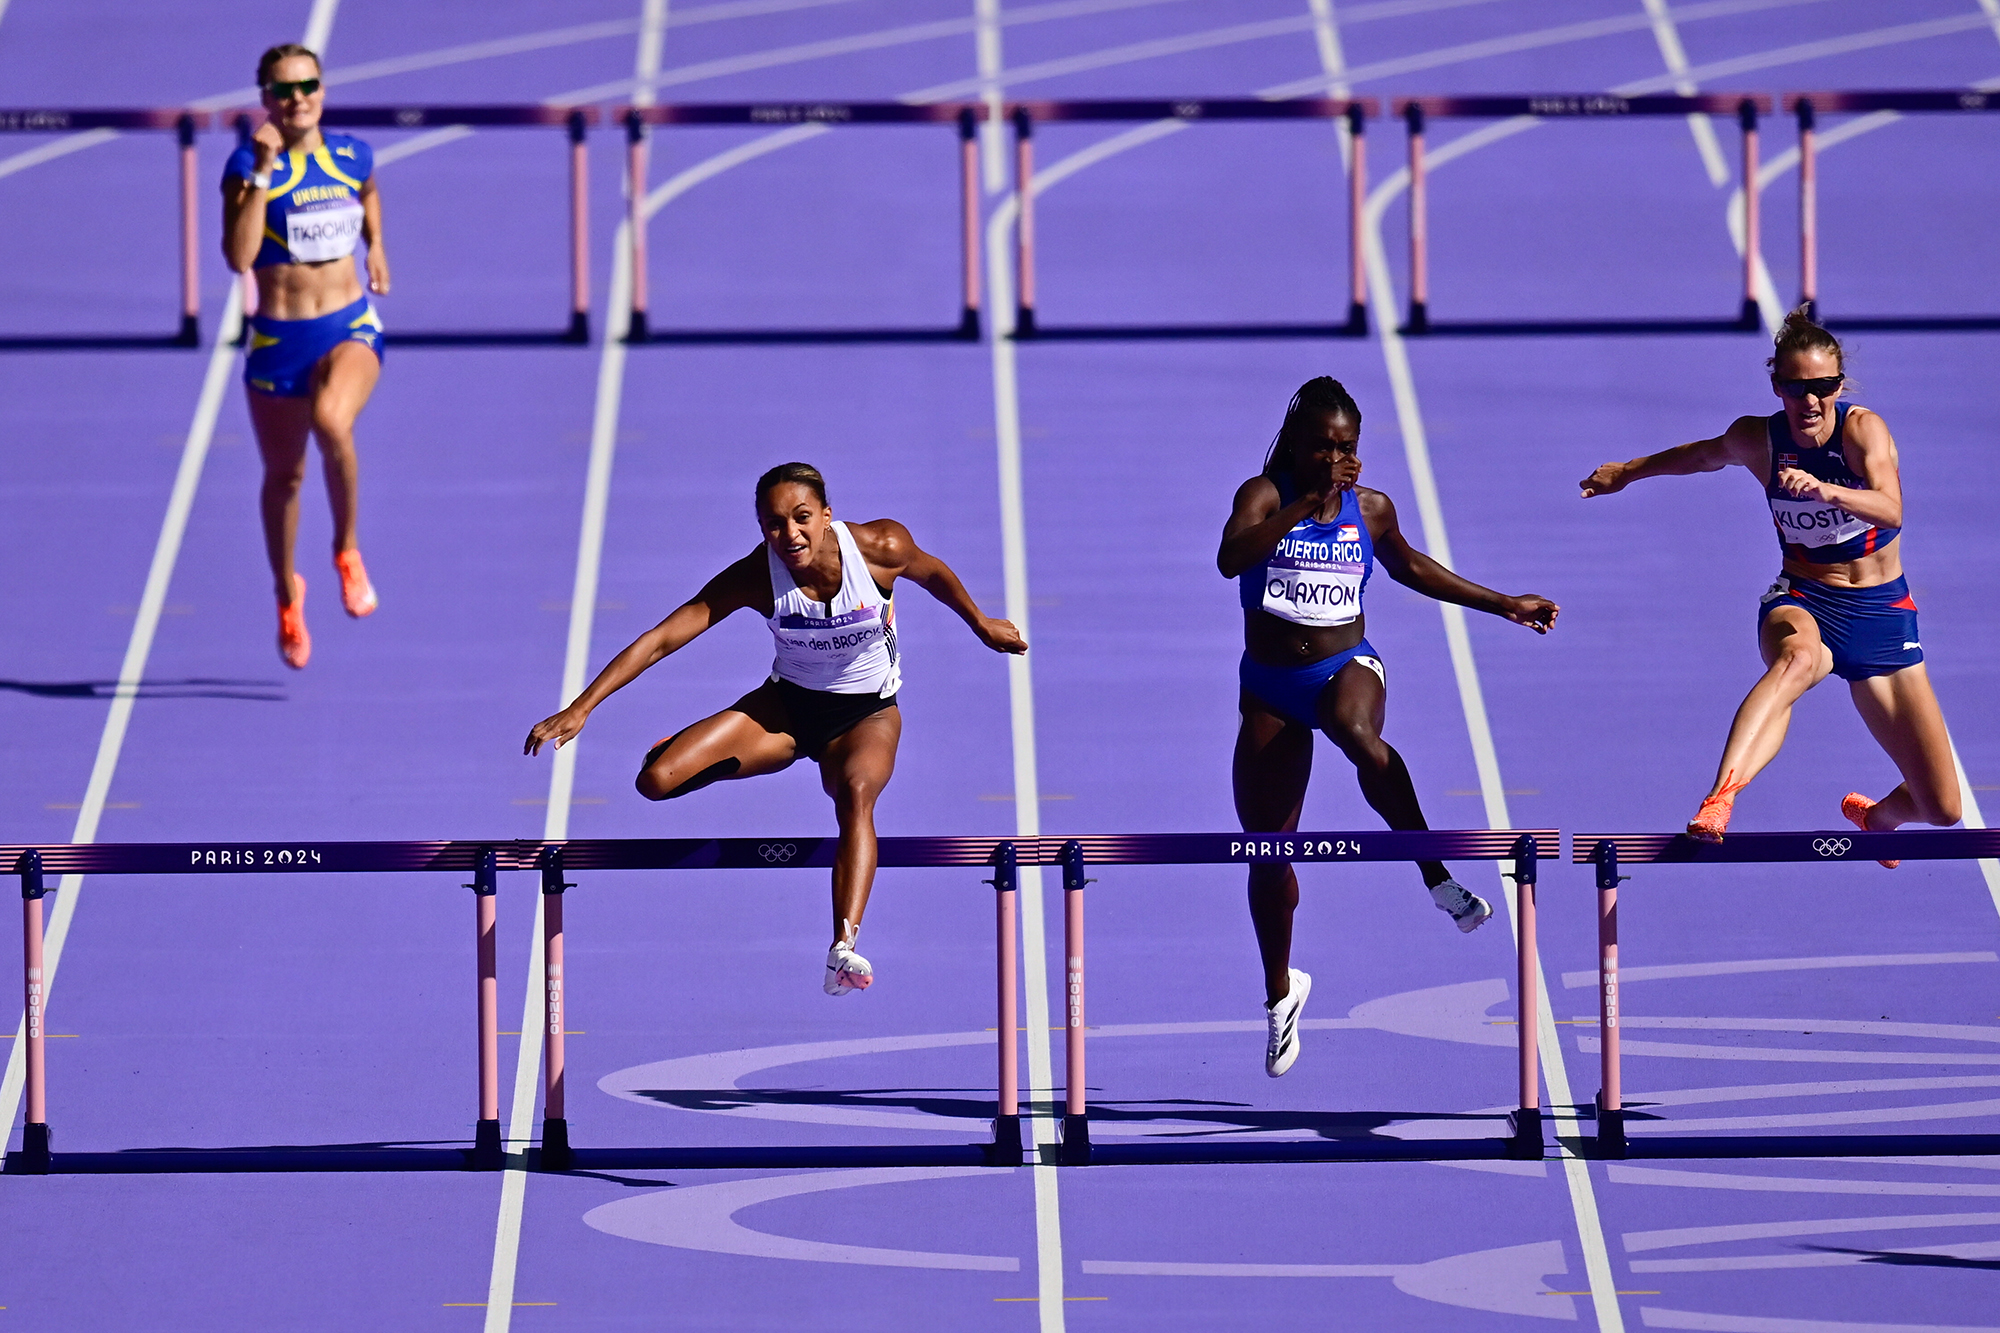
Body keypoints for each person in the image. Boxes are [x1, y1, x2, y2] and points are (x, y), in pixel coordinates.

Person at [524, 463, 1027, 995]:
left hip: (866, 717)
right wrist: (582, 707)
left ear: (827, 516)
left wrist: (980, 622)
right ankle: (672, 751)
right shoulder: (757, 576)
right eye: (773, 523)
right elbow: (661, 638)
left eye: (802, 518)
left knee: (856, 795)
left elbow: (933, 573)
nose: (790, 534)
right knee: (655, 781)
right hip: (786, 713)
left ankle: (843, 947)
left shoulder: (881, 545)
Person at [1219, 377, 1559, 1077]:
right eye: (1323, 446)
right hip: (1271, 690)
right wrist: (1302, 508)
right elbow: (1231, 558)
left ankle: (1434, 874)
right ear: (1297, 442)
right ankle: (1281, 992)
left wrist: (1503, 604)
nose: (1335, 458)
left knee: (1354, 728)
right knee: (1266, 854)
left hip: (1345, 665)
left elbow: (1411, 566)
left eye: (1346, 447)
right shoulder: (1264, 495)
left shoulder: (1370, 511)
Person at [1581, 307, 1959, 862]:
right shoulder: (1759, 439)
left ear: (1839, 386)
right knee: (1798, 662)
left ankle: (1878, 819)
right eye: (1795, 388)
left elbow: (1890, 509)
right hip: (1806, 599)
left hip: (1882, 612)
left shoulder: (1861, 430)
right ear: (1776, 386)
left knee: (1943, 810)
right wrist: (1629, 470)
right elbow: (1700, 457)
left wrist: (1826, 492)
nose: (1810, 402)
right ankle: (1720, 799)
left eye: (1823, 387)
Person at [222, 43, 389, 669]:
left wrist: (377, 248)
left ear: (322, 89)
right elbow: (239, 256)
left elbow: (369, 194)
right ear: (265, 97)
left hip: (349, 327)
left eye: (307, 86)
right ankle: (287, 592)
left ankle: (346, 549)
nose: (297, 100)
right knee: (284, 477)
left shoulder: (351, 155)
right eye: (283, 90)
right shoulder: (245, 165)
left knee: (332, 422)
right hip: (278, 342)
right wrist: (262, 172)